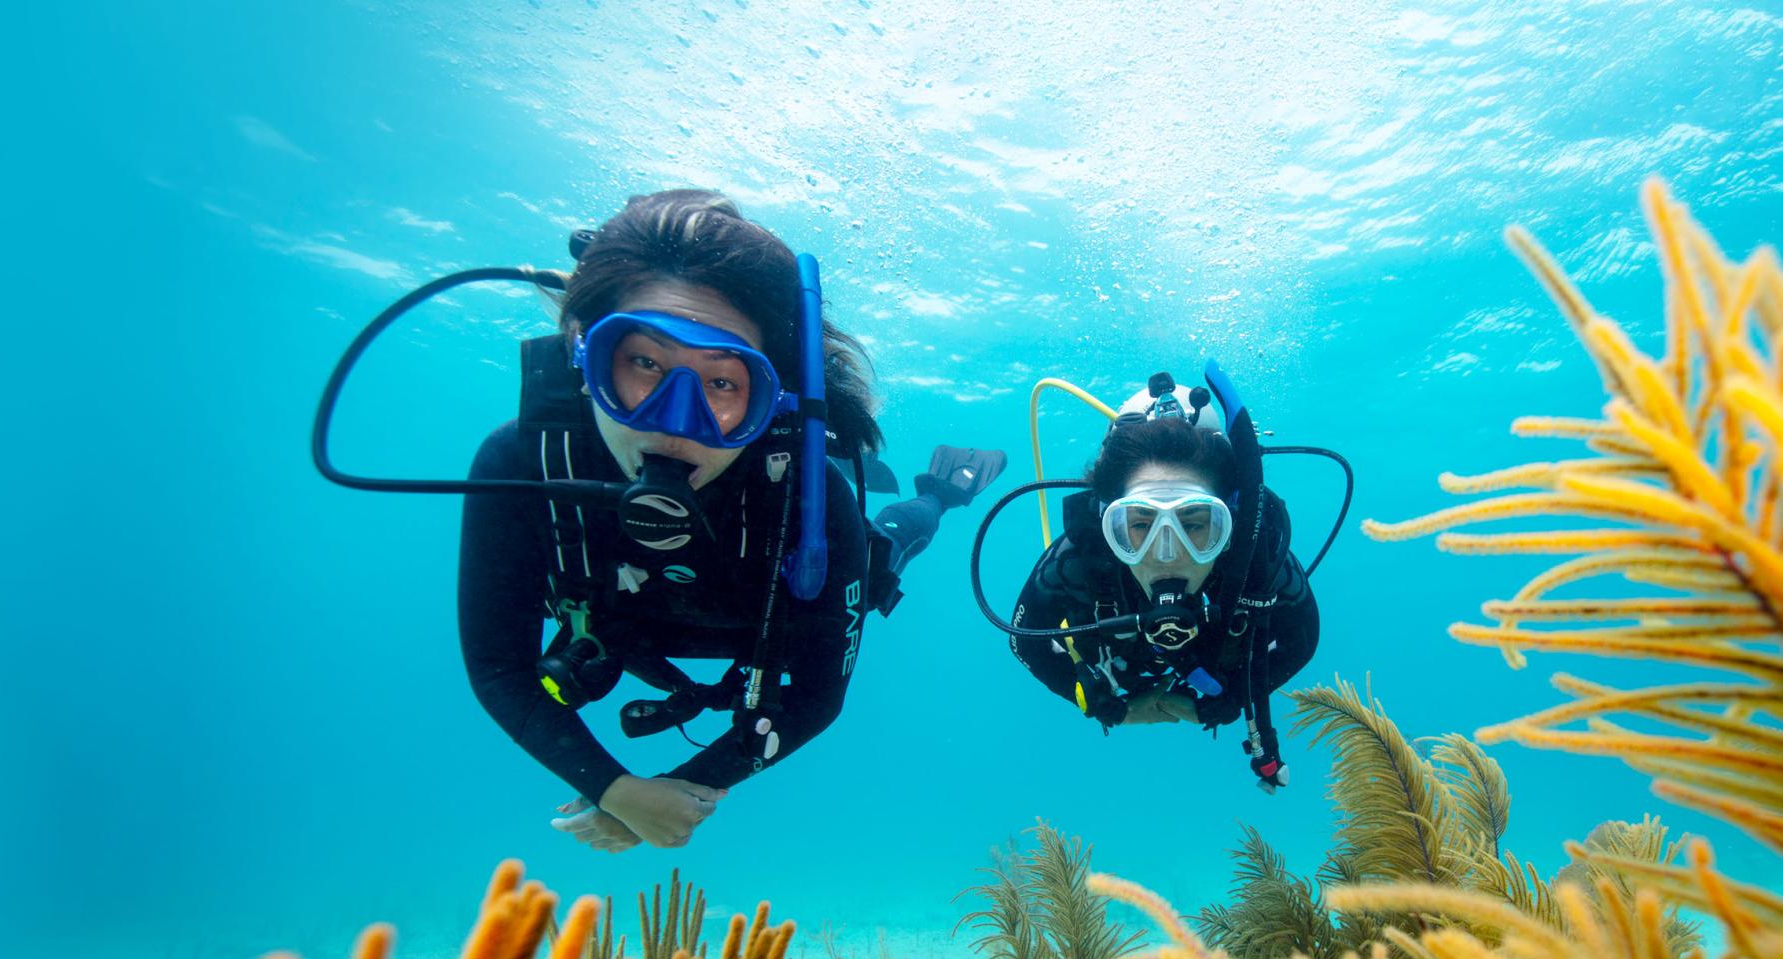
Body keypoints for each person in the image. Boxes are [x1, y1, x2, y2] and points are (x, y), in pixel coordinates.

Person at [455, 190, 1004, 851]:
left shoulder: (811, 498)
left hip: (768, 605)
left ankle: (941, 491)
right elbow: (497, 664)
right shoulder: (522, 462)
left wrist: (686, 785)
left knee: (883, 544)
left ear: (768, 400)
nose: (673, 419)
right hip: (620, 625)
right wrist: (617, 790)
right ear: (585, 358)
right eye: (644, 363)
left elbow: (816, 698)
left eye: (721, 383)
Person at [1003, 371, 1322, 791]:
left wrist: (1228, 703)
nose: (1166, 553)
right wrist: (1103, 706)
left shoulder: (1256, 562)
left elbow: (1303, 639)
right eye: (1139, 525)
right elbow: (1024, 641)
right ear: (1107, 523)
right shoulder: (1079, 561)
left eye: (1195, 524)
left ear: (1232, 523)